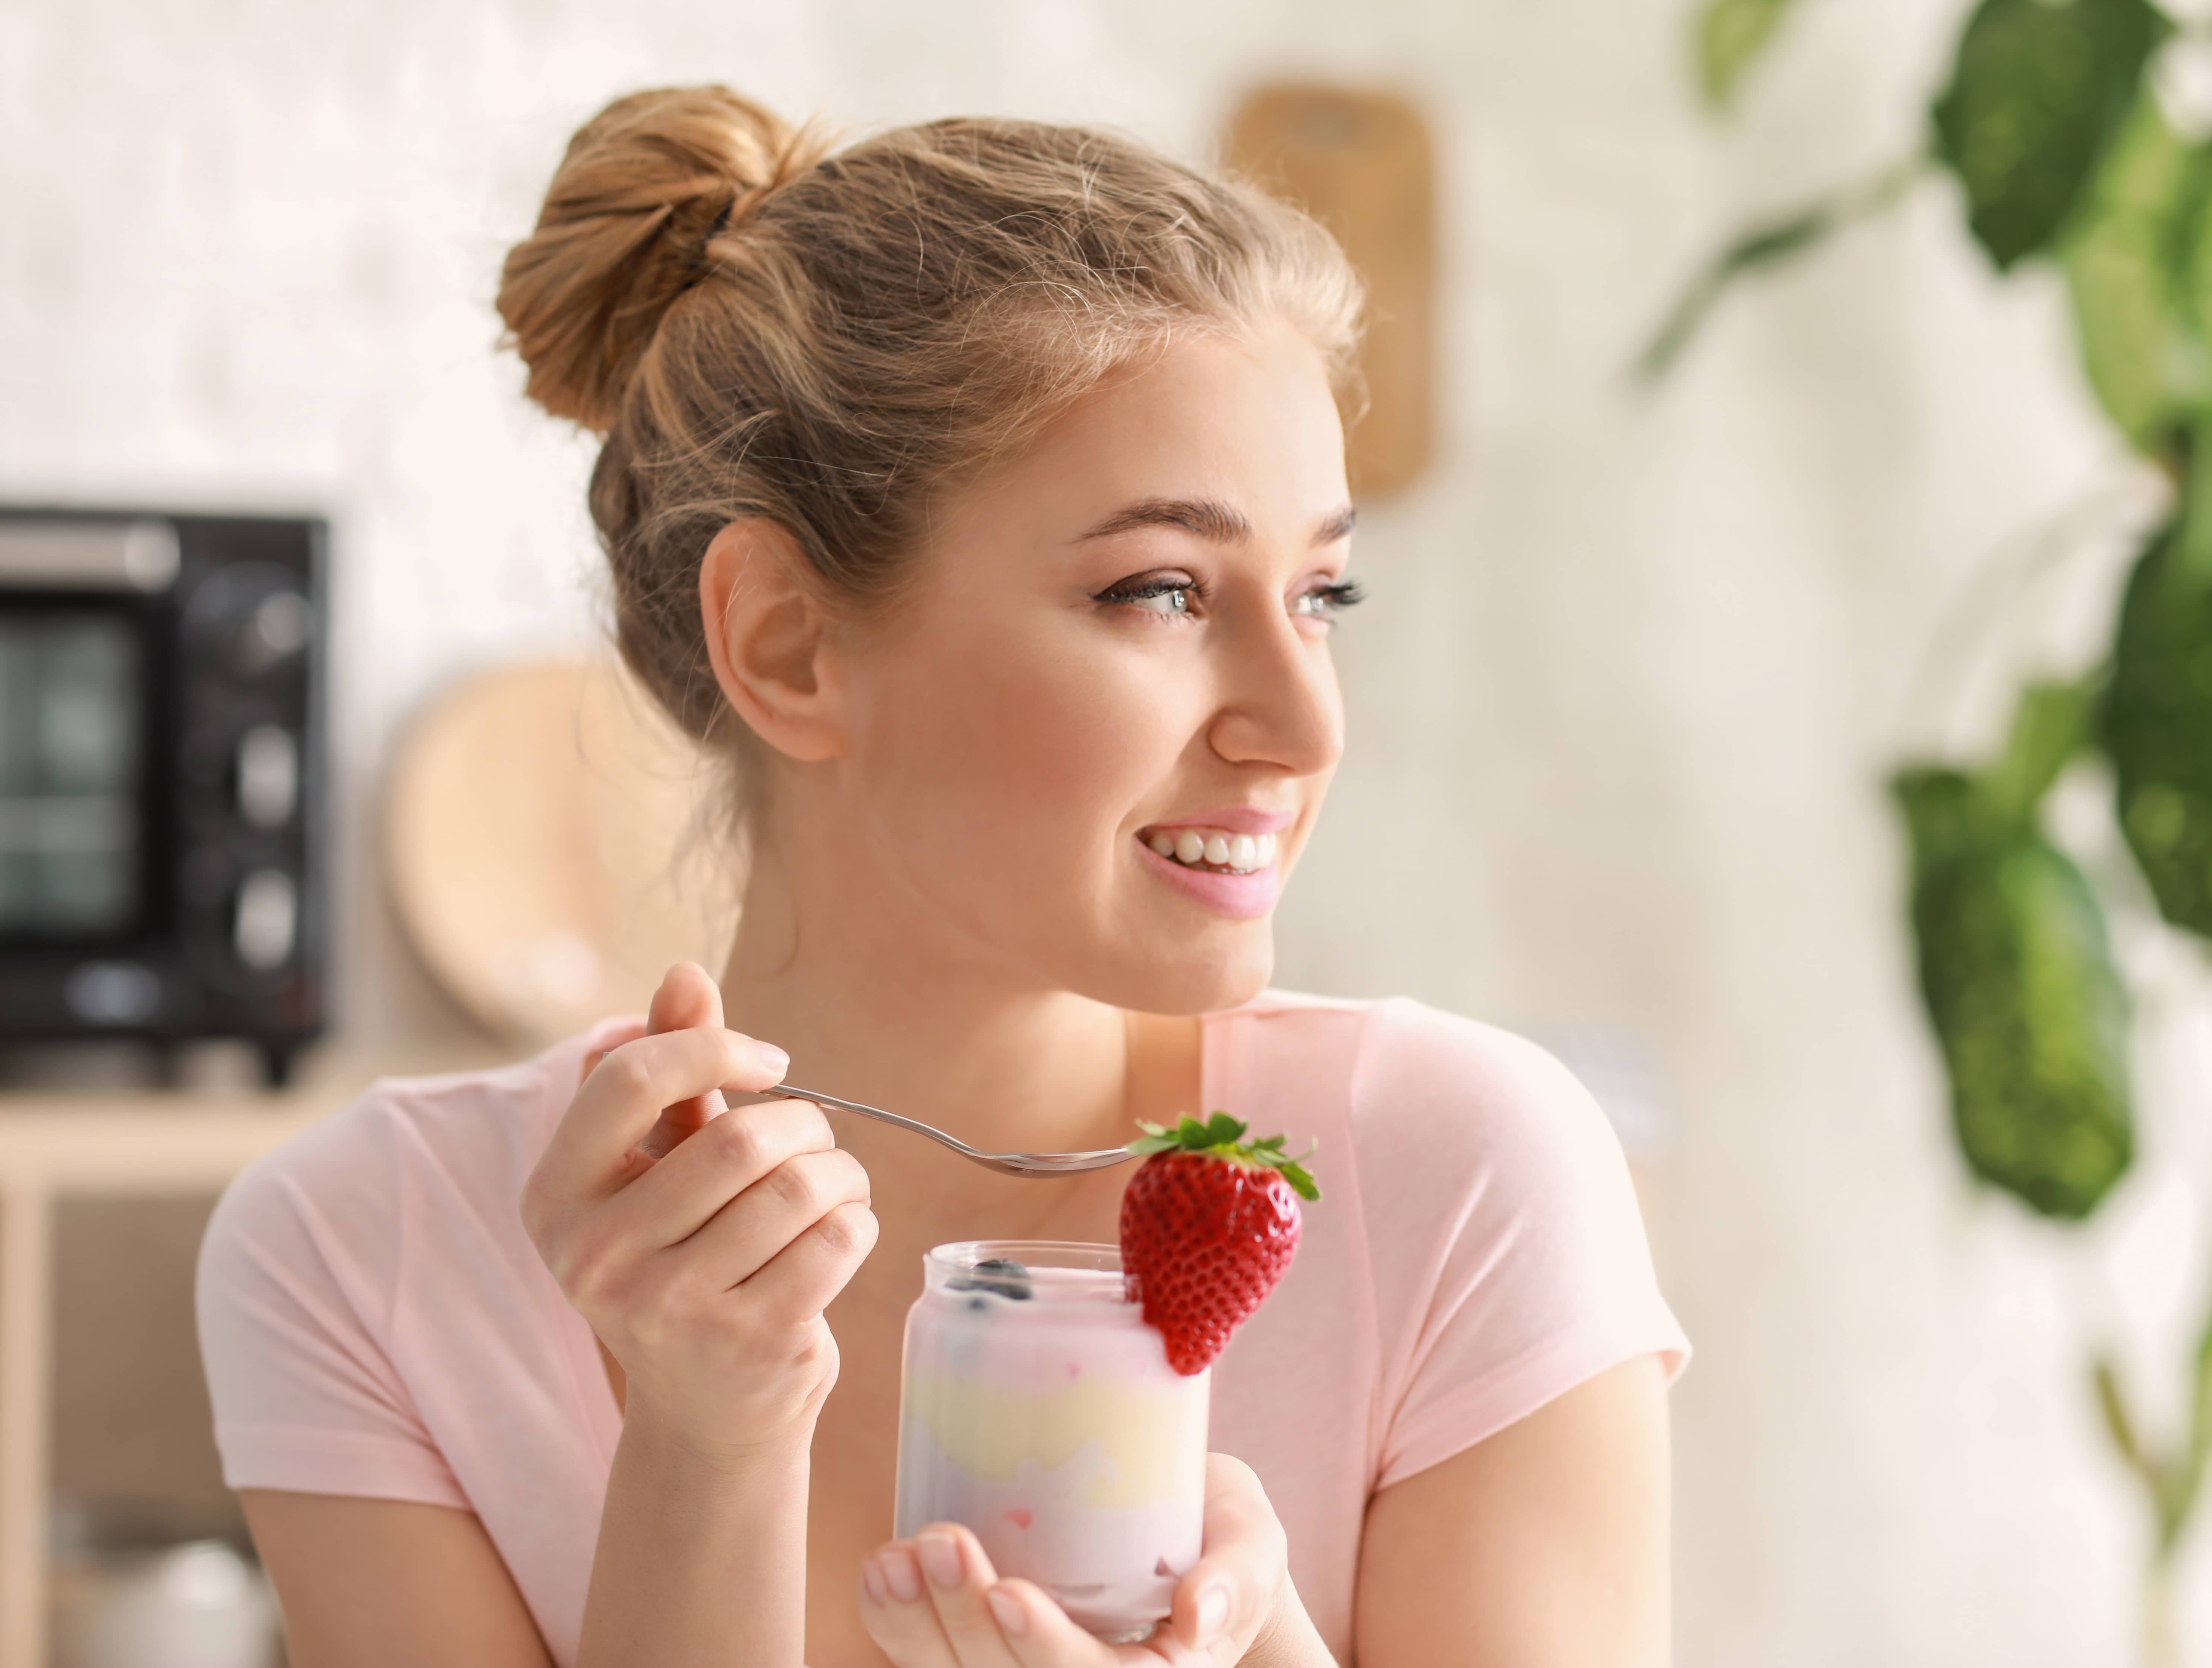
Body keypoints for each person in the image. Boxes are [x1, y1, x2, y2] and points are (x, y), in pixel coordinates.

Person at [196, 85, 1687, 1668]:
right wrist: (702, 1452)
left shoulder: (1456, 1177)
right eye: (1163, 590)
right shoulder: (369, 1255)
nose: (1304, 723)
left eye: (1324, 592)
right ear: (788, 642)